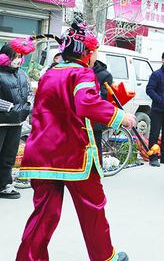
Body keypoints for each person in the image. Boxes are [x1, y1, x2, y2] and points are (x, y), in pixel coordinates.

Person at [16, 20, 136, 261]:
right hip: (75, 156)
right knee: (93, 209)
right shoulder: (82, 73)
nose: (95, 57)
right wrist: (121, 117)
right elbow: (86, 103)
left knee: (43, 215)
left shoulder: (49, 74)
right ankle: (104, 257)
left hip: (42, 156)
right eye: (95, 52)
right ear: (87, 53)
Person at [0, 38, 34, 200]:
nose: (18, 60)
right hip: (2, 121)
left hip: (16, 122)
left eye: (20, 56)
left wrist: (27, 105)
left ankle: (5, 185)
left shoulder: (22, 74)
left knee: (9, 156)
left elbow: (29, 93)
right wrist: (10, 108)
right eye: (15, 56)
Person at [92, 58, 113, 165]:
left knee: (96, 145)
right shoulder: (80, 70)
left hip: (95, 115)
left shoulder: (104, 75)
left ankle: (97, 170)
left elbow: (105, 99)